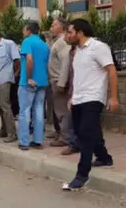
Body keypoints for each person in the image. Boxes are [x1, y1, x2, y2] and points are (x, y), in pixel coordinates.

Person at [63, 19, 118, 190]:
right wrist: (72, 97)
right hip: (79, 99)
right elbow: (79, 77)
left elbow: (112, 71)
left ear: (80, 33)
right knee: (85, 133)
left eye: (70, 32)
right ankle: (104, 157)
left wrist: (113, 97)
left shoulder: (99, 47)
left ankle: (81, 175)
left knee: (85, 136)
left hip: (94, 98)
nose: (68, 35)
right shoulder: (77, 51)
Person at [17, 21, 50, 151]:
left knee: (24, 111)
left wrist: (29, 77)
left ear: (28, 30)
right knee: (39, 110)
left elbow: (29, 59)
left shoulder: (27, 42)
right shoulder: (44, 45)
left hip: (28, 82)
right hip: (42, 81)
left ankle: (24, 141)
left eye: (24, 29)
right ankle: (38, 140)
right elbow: (46, 64)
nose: (23, 32)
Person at [48, 17, 72, 147]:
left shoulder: (62, 42)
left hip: (59, 81)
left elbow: (65, 63)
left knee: (62, 110)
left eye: (53, 25)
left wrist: (62, 82)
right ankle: (61, 133)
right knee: (58, 110)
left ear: (61, 28)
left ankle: (65, 137)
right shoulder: (57, 42)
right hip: (56, 80)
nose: (51, 28)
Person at [60, 33, 81, 156]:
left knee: (80, 120)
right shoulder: (71, 51)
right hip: (74, 89)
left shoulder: (86, 51)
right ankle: (74, 144)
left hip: (86, 92)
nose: (66, 37)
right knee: (72, 119)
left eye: (69, 33)